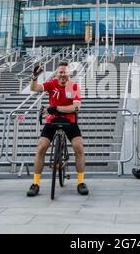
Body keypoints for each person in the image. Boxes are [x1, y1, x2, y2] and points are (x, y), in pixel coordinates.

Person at [27, 61, 89, 196]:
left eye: (65, 72)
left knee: (79, 147)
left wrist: (57, 109)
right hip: (52, 119)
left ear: (69, 74)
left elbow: (76, 107)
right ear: (56, 74)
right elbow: (34, 88)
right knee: (41, 147)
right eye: (60, 72)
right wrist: (35, 76)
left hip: (69, 120)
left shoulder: (74, 87)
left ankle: (80, 182)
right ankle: (35, 183)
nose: (62, 74)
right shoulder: (51, 84)